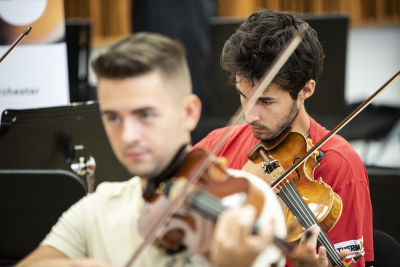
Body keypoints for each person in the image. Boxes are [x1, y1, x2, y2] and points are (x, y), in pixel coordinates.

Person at [193, 9, 373, 267]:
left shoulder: (340, 166)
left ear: (305, 90)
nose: (250, 116)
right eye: (244, 96)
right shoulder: (217, 145)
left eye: (266, 101)